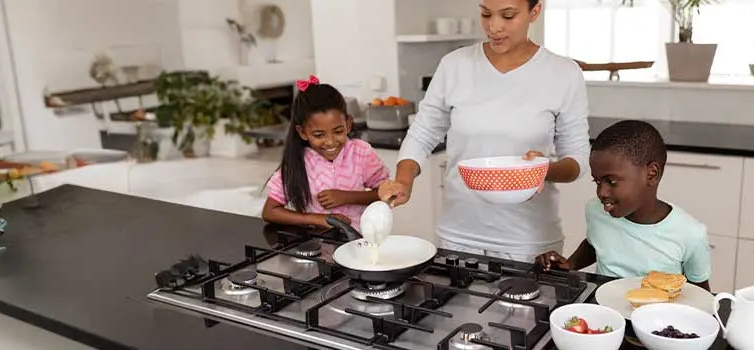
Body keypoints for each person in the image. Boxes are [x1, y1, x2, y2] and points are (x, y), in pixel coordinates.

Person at [377, 0, 591, 262]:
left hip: (529, 240)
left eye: (508, 15)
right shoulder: (454, 65)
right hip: (458, 235)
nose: (494, 26)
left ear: (535, 12)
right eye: (486, 14)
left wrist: (542, 170)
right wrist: (404, 180)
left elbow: (578, 158)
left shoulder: (563, 73)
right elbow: (423, 131)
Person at [535, 120, 712, 291]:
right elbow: (595, 244)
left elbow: (701, 296)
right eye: (597, 181)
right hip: (606, 315)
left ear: (651, 174)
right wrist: (570, 264)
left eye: (611, 181)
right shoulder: (596, 211)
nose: (602, 193)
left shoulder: (691, 235)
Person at [261, 76, 390, 230]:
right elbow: (270, 211)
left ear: (348, 124)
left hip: (359, 242)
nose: (330, 142)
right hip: (317, 245)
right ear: (302, 132)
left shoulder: (361, 152)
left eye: (338, 131)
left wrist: (347, 197)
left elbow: (385, 192)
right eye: (319, 135)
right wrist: (319, 219)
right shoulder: (299, 161)